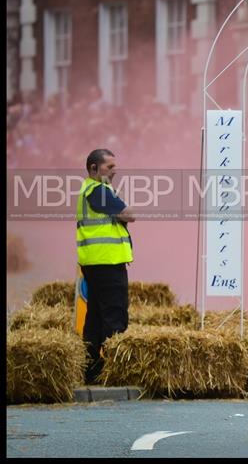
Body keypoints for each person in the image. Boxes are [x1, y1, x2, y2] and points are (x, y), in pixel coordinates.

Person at [77, 149, 135, 383]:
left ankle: (92, 369)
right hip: (106, 261)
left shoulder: (92, 189)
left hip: (96, 261)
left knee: (96, 317)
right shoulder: (98, 190)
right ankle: (115, 371)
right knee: (114, 315)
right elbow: (129, 214)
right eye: (109, 167)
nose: (114, 170)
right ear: (93, 168)